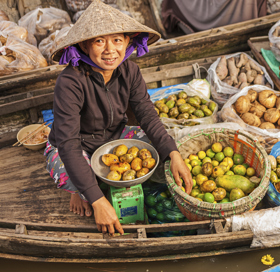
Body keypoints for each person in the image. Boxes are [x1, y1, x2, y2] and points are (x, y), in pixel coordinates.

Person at [45, 0, 192, 236]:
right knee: (71, 171)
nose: (109, 50)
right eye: (99, 41)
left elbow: (147, 114)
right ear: (84, 45)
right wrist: (97, 200)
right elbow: (68, 144)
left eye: (117, 40)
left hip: (114, 138)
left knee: (161, 146)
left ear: (128, 42)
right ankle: (78, 190)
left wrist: (173, 153)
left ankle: (89, 186)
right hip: (76, 145)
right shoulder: (70, 82)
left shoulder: (130, 71)